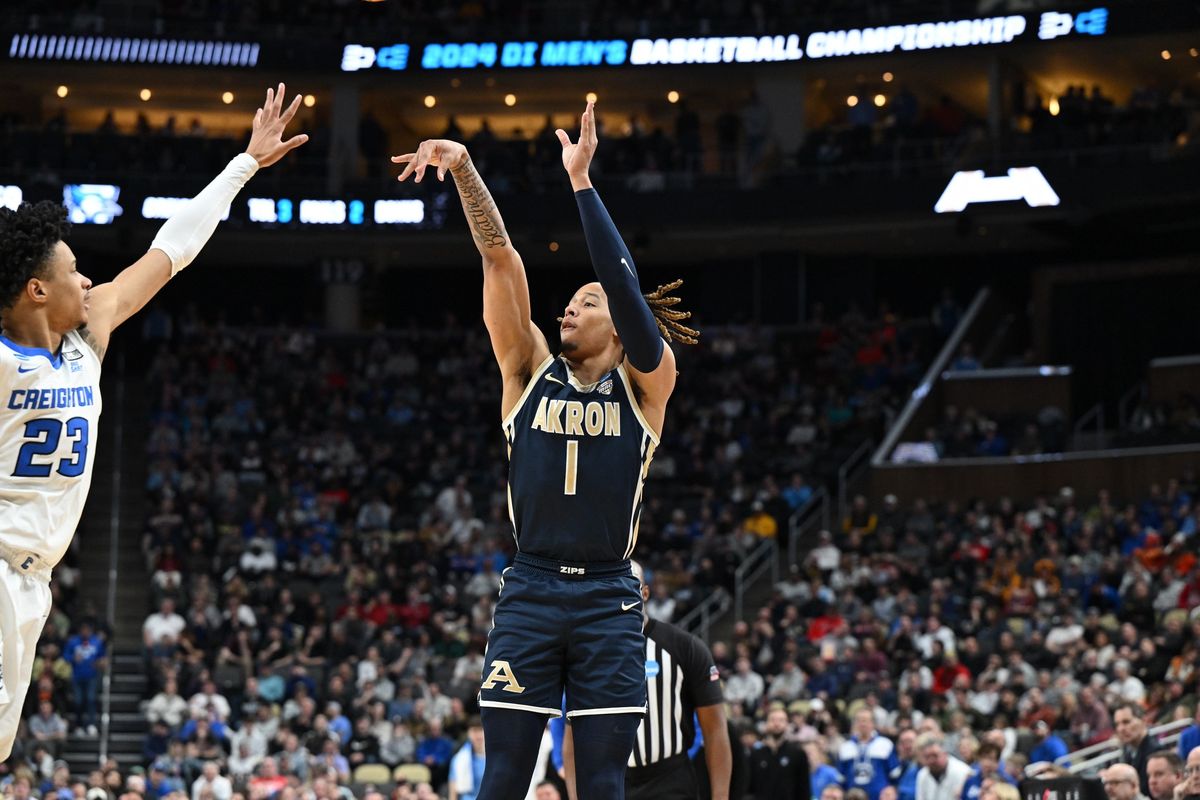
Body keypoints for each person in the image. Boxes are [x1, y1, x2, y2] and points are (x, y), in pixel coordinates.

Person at [393, 99, 696, 800]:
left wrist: (582, 182)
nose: (570, 307)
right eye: (571, 301)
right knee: (502, 779)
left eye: (587, 303)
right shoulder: (526, 367)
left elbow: (622, 282)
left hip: (608, 595)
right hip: (529, 587)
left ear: (621, 326)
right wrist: (466, 170)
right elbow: (498, 256)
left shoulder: (649, 385)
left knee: (602, 786)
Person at [0, 83, 307, 762]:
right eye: (75, 271)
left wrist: (245, 165)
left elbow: (173, 250)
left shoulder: (88, 337)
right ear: (36, 289)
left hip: (32, 583)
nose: (90, 282)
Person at [562, 560, 732, 799]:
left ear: (645, 592)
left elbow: (715, 729)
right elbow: (572, 738)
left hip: (670, 780)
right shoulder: (587, 652)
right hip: (610, 779)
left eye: (627, 586)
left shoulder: (685, 647)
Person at [746, 707, 810, 799]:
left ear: (787, 724)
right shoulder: (755, 754)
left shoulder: (798, 753)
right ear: (766, 724)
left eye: (781, 720)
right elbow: (749, 788)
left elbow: (804, 789)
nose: (776, 724)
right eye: (772, 720)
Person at [838, 708, 899, 800]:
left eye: (865, 720)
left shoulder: (885, 744)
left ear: (873, 723)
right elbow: (841, 779)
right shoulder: (845, 747)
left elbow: (895, 775)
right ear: (854, 724)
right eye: (859, 721)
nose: (862, 724)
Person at [1115, 703, 1159, 797]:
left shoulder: (1155, 752)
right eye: (1117, 724)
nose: (1121, 728)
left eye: (1126, 722)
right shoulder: (1127, 751)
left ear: (1143, 720)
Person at [914, 733, 970, 800]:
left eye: (935, 755)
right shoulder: (922, 774)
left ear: (945, 753)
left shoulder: (962, 772)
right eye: (927, 757)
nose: (931, 760)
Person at [449, 718, 486, 800]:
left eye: (480, 730)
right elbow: (453, 792)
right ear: (469, 733)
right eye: (474, 731)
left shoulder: (495, 758)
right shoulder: (458, 759)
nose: (478, 735)